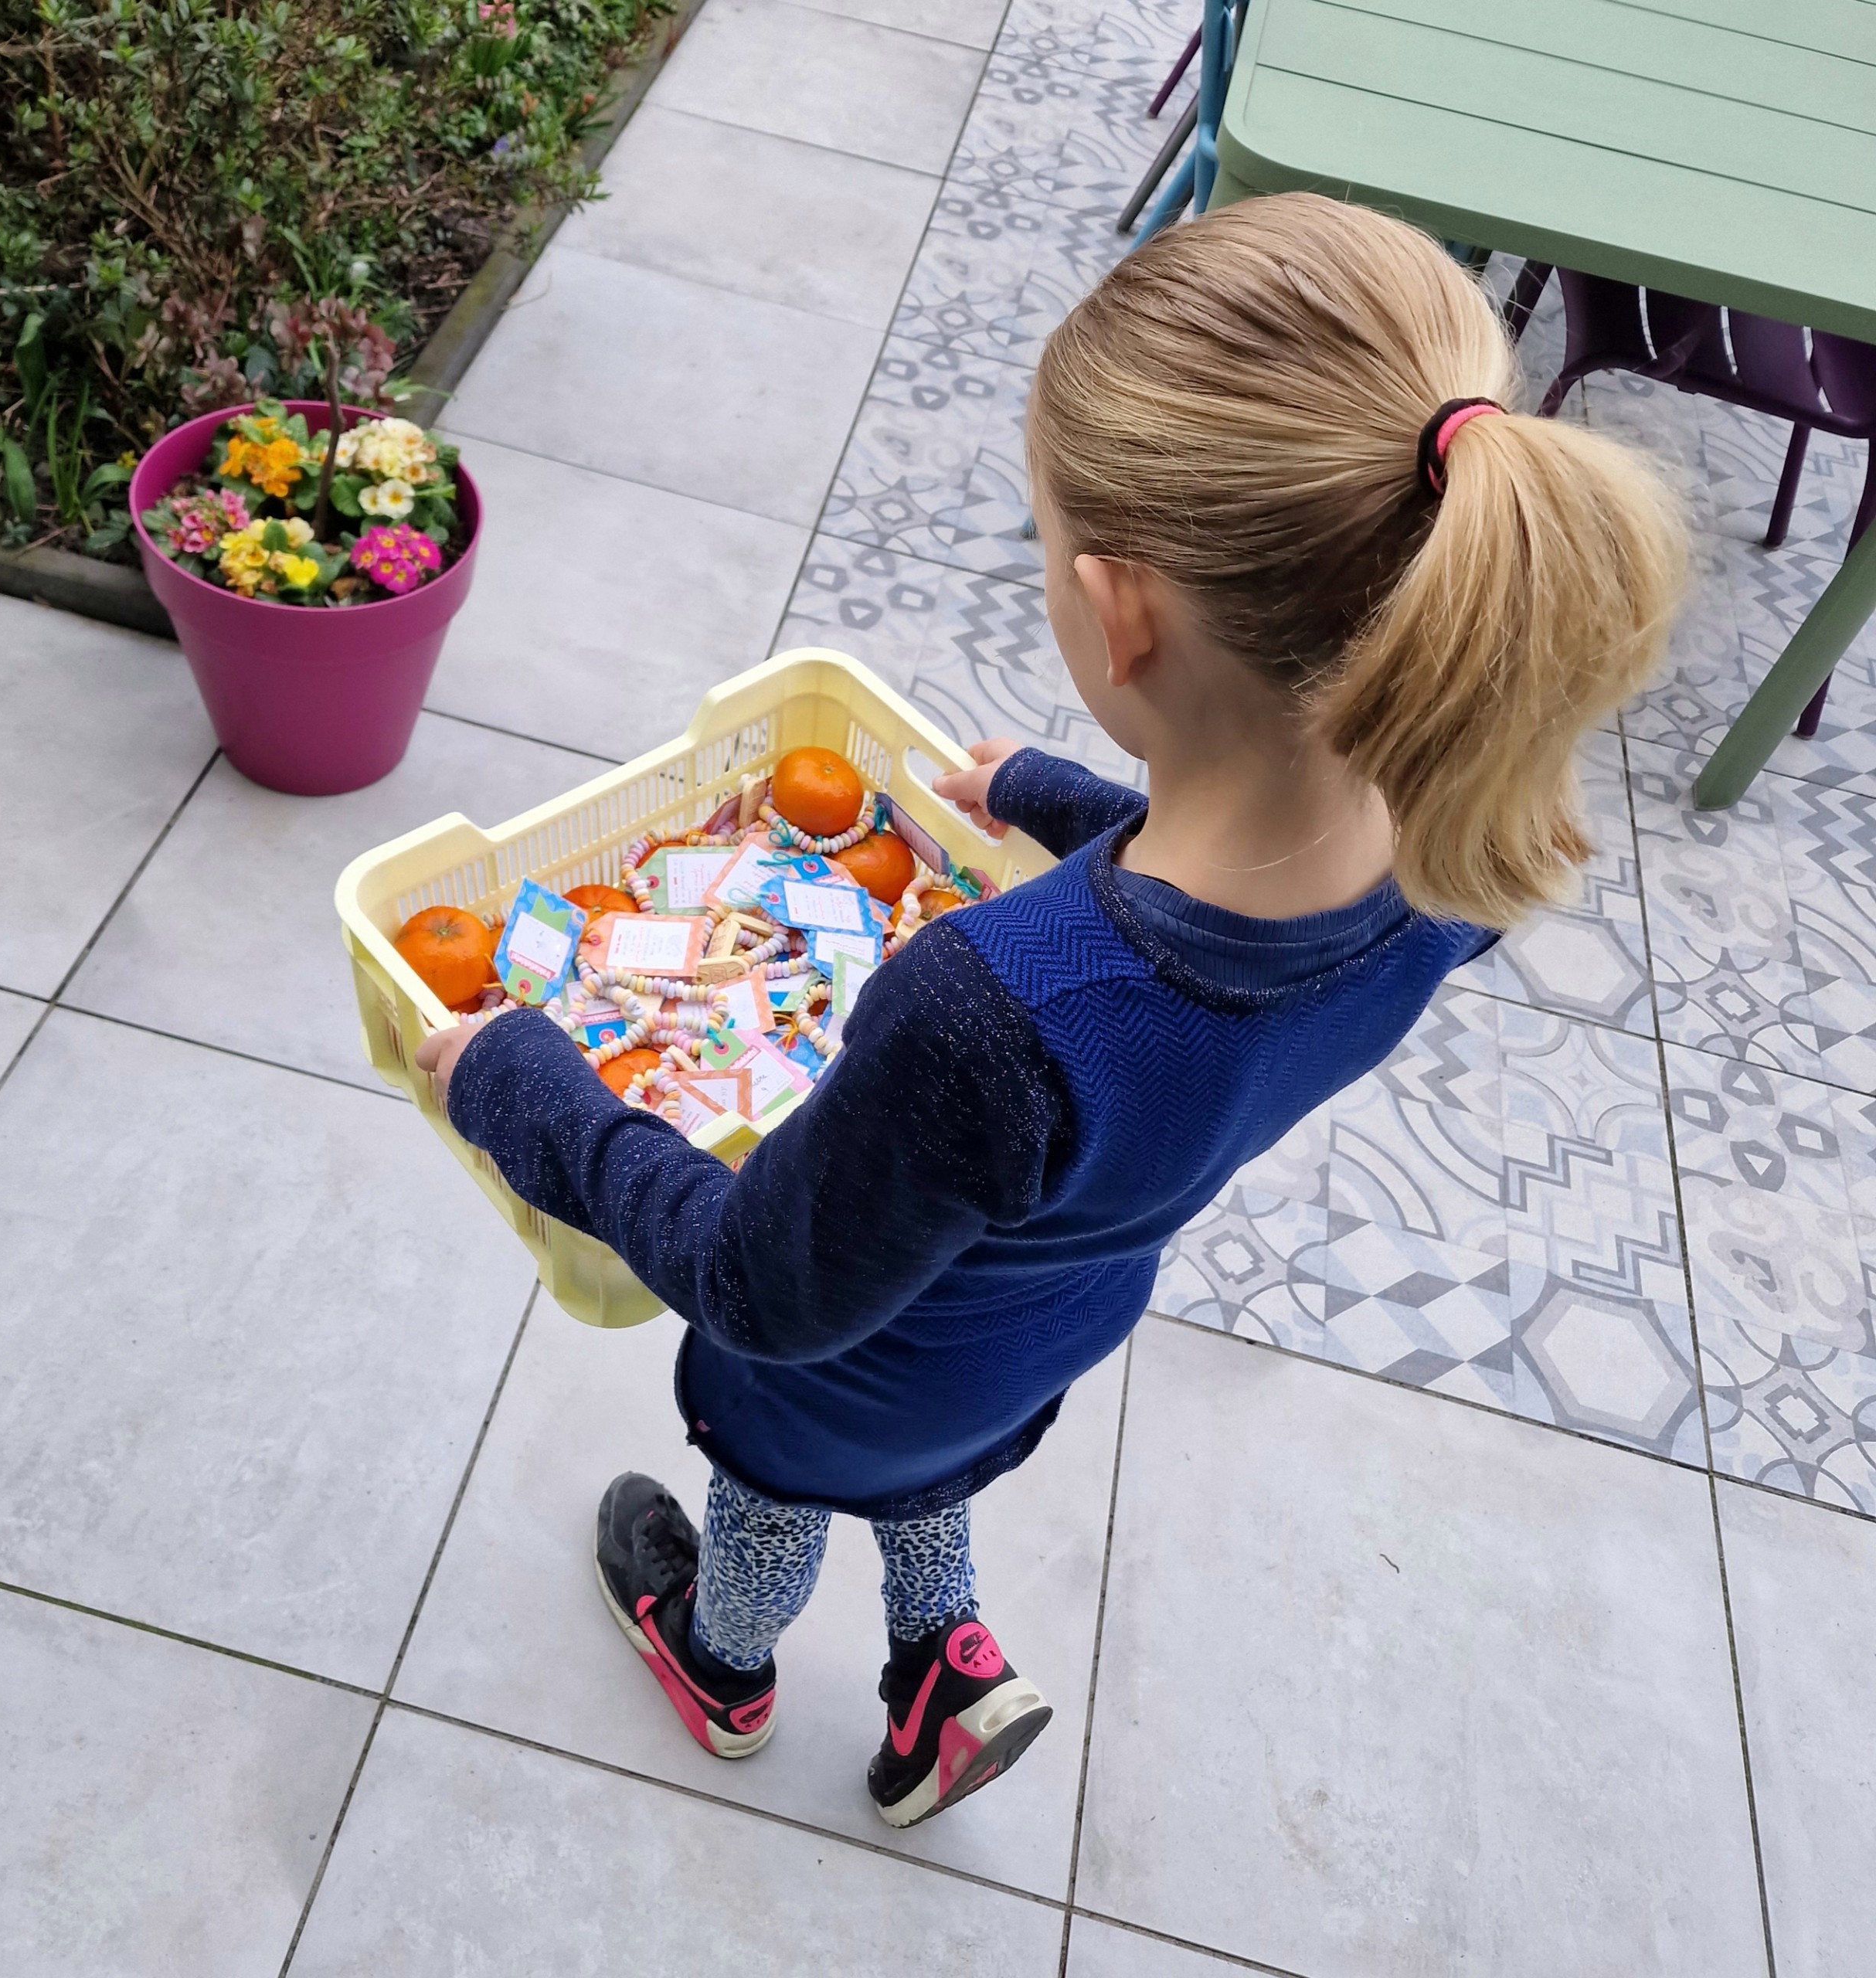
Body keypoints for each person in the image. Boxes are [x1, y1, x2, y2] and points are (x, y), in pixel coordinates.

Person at [416, 192, 1687, 1830]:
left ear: (1116, 612)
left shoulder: (983, 1015)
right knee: (932, 1460)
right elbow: (1226, 897)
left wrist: (522, 1080)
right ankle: (939, 1667)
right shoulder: (1465, 854)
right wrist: (1041, 790)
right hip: (1052, 1318)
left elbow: (757, 1285)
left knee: (775, 1487)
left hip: (845, 1361)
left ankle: (722, 1658)